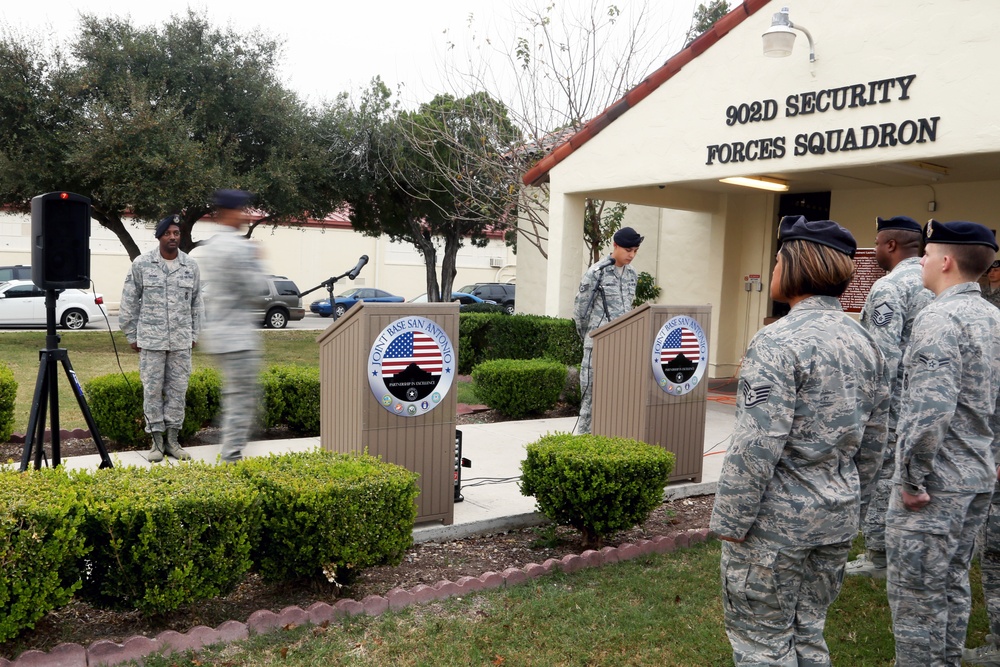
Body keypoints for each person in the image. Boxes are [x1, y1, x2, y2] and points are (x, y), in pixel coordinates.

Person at [709, 215, 889, 667]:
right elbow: (875, 444)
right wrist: (854, 507)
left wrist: (730, 519)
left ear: (796, 264)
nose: (771, 271)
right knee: (809, 633)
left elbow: (755, 445)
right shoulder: (865, 341)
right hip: (836, 518)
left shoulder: (776, 342)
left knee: (761, 643)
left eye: (776, 260)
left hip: (775, 527)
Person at [887, 220, 1000, 667]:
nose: (922, 263)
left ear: (947, 262)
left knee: (916, 594)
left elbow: (929, 410)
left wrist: (912, 479)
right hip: (977, 476)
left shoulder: (939, 318)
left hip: (936, 484)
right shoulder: (994, 317)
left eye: (928, 255)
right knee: (952, 579)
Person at [846, 216, 933, 579]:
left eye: (878, 242)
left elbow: (882, 357)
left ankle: (880, 556)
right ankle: (913, 547)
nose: (877, 249)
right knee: (916, 476)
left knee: (885, 475)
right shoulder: (933, 282)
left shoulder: (890, 286)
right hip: (928, 402)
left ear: (891, 245)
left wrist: (868, 408)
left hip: (893, 405)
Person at [119, 214, 203, 462]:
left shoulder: (190, 266)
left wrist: (195, 334)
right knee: (152, 391)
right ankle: (156, 443)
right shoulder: (142, 264)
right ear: (159, 237)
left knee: (178, 391)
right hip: (151, 342)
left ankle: (173, 442)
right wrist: (132, 335)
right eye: (168, 233)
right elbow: (128, 301)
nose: (173, 237)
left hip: (180, 342)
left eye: (176, 233)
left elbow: (198, 303)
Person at [198, 189, 266, 463]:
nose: (245, 215)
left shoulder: (212, 244)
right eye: (241, 209)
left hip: (219, 336)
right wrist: (258, 261)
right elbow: (255, 290)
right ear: (229, 212)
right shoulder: (239, 248)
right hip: (238, 339)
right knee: (242, 402)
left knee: (234, 398)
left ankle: (230, 449)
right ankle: (231, 459)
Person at [571, 226, 642, 435]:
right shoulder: (597, 272)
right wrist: (590, 338)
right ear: (616, 246)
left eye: (635, 251)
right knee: (590, 402)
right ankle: (583, 445)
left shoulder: (632, 275)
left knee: (619, 400)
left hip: (622, 348)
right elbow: (580, 312)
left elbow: (629, 308)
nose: (631, 255)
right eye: (628, 250)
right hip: (598, 347)